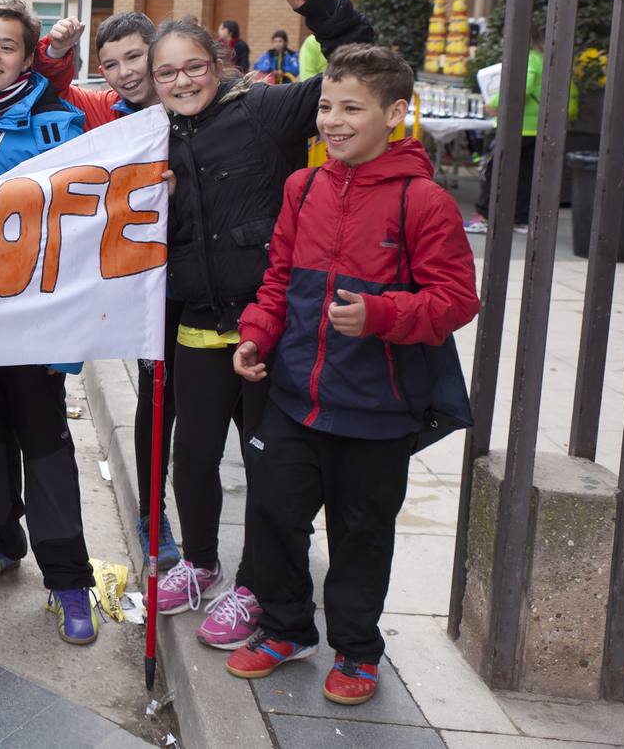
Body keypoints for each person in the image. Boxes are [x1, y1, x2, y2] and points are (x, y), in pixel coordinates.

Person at [227, 44, 478, 704]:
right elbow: (277, 278)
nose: (331, 122)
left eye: (350, 109)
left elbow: (455, 300)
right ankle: (284, 628)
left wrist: (379, 314)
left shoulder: (423, 202)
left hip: (377, 411)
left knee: (359, 535)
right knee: (272, 514)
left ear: (395, 113)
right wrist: (255, 335)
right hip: (291, 398)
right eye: (325, 106)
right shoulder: (301, 187)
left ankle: (357, 651)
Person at [147, 0, 373, 652]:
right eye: (167, 72)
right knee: (190, 458)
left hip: (270, 327)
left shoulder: (266, 110)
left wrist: (320, 10)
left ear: (216, 66)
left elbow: (355, 62)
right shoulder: (149, 137)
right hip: (196, 323)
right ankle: (198, 562)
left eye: (193, 66)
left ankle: (254, 582)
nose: (182, 80)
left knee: (270, 466)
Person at [0, 0, 100, 645]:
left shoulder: (60, 124)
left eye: (6, 46)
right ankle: (0, 540)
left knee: (44, 441)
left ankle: (67, 578)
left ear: (29, 56)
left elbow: (90, 214)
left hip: (33, 321)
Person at [33, 11, 182, 567]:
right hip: (137, 282)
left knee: (201, 412)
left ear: (158, 51)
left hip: (200, 278)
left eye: (135, 58)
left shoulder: (192, 104)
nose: (124, 73)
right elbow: (49, 86)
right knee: (155, 402)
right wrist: (55, 48)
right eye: (111, 64)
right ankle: (152, 517)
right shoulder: (101, 110)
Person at [464, 41, 577, 235]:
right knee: (525, 174)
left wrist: (495, 104)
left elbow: (521, 86)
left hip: (515, 125)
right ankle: (521, 218)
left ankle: (484, 216)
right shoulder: (543, 58)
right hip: (536, 127)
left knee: (492, 170)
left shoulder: (529, 58)